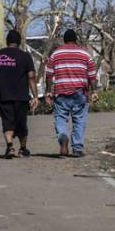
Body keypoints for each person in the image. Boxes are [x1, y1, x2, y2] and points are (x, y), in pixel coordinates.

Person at [44, 28, 97, 157]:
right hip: (80, 92)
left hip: (61, 93)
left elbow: (49, 75)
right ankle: (77, 148)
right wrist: (94, 91)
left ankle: (63, 137)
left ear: (64, 40)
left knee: (60, 118)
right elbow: (92, 75)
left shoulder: (56, 54)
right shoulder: (85, 54)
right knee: (79, 120)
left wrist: (48, 92)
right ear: (76, 40)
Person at [0, 29, 38, 159]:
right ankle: (23, 149)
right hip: (21, 96)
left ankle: (10, 146)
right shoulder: (25, 56)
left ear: (7, 41)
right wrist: (35, 96)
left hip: (4, 96)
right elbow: (31, 77)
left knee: (7, 122)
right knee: (21, 123)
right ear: (19, 42)